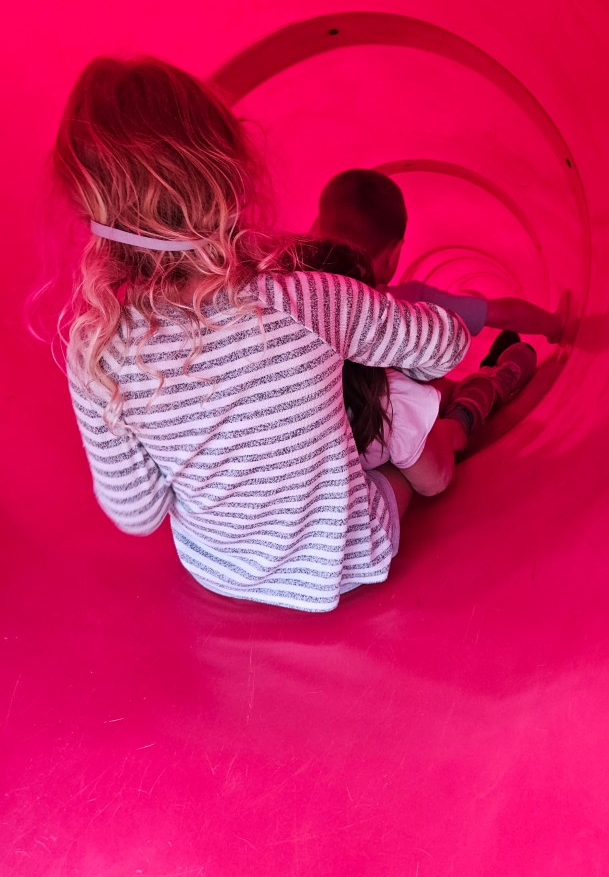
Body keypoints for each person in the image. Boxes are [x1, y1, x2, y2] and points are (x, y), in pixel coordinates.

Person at [54, 57, 470, 611]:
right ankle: (467, 416)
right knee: (397, 459)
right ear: (231, 182)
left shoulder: (98, 352)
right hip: (346, 560)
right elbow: (446, 347)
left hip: (219, 572)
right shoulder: (304, 299)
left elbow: (138, 513)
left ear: (90, 208)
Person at [301, 239, 537, 496]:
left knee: (430, 399)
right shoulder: (387, 398)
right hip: (391, 411)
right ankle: (484, 386)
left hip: (390, 403)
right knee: (446, 423)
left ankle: (481, 383)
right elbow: (437, 478)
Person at [315, 168, 567, 347]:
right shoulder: (409, 303)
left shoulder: (299, 288)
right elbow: (506, 314)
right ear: (393, 254)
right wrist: (554, 325)